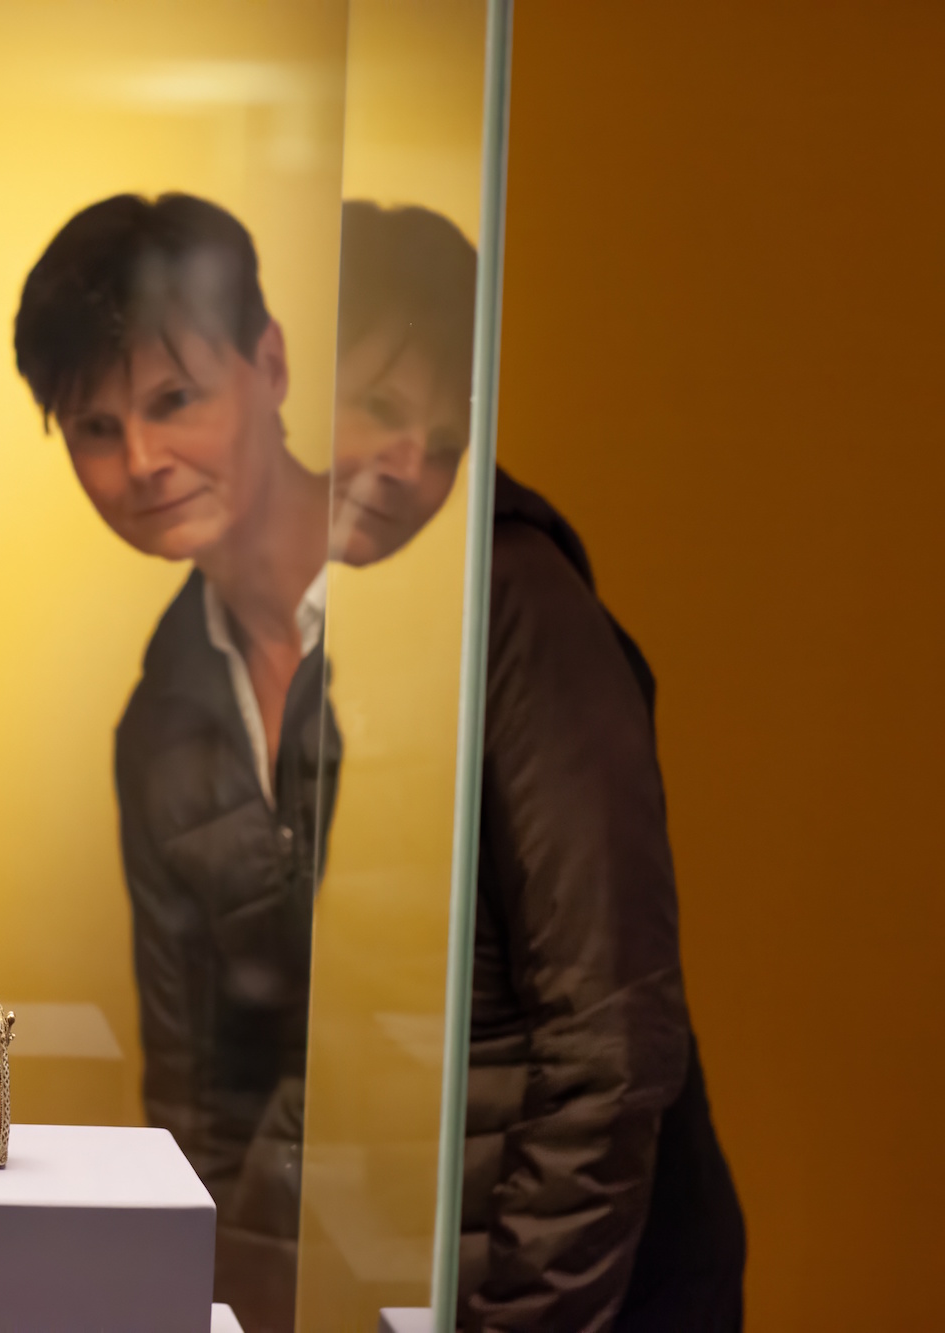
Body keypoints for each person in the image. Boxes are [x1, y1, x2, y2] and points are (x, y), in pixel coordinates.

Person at [327, 200, 747, 1331]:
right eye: (369, 401)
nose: (408, 456)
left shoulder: (516, 605)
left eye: (441, 417)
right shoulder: (360, 601)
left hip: (570, 1284)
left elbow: (609, 1043)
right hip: (440, 1250)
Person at [13, 192, 334, 1328]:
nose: (141, 460)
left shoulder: (461, 609)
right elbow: (193, 1091)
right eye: (96, 429)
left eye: (175, 400)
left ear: (273, 363)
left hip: (573, 1272)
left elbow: (602, 1034)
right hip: (322, 1273)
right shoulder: (158, 719)